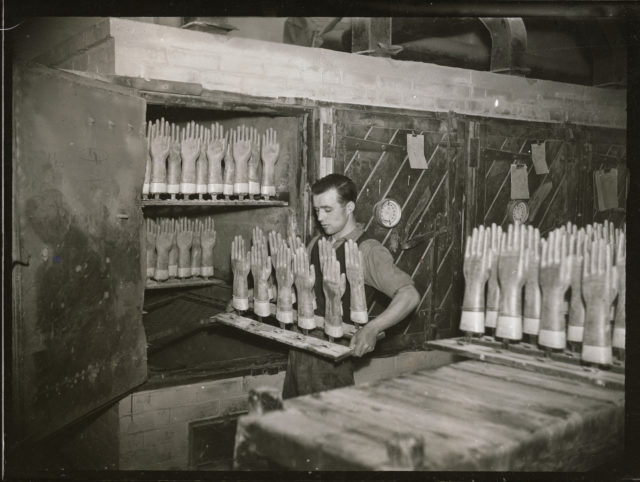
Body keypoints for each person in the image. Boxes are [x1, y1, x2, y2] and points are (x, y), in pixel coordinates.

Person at [282, 173, 420, 398]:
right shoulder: (317, 243)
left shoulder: (368, 250)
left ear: (349, 208)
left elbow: (409, 295)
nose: (321, 218)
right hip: (299, 351)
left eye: (327, 210)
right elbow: (298, 289)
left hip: (331, 360)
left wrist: (373, 328)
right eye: (317, 211)